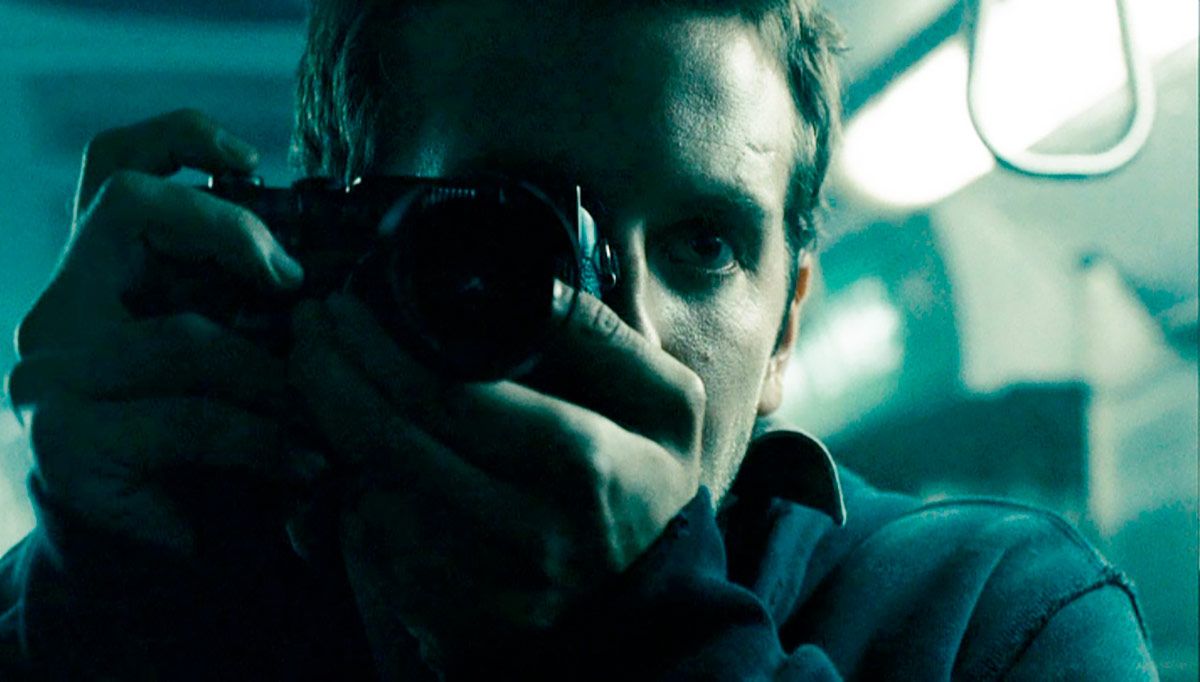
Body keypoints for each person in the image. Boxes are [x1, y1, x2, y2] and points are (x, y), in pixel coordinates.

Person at [0, 0, 1157, 679]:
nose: (626, 329)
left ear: (787, 324)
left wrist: (652, 637)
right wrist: (102, 607)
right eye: (521, 228)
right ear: (340, 243)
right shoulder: (151, 582)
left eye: (704, 244)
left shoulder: (995, 618)